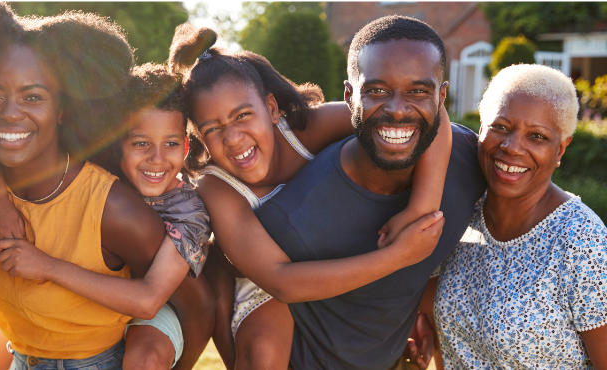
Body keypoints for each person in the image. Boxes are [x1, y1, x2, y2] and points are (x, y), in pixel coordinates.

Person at [0, 6, 212, 370]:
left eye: (33, 97)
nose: (10, 112)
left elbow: (195, 305)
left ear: (63, 109)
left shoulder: (115, 211)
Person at [167, 21, 454, 369]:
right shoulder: (217, 185)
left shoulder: (308, 129)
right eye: (213, 129)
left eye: (243, 115)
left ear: (272, 109)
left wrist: (421, 208)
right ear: (198, 135)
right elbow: (280, 280)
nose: (233, 138)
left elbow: (432, 114)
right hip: (267, 285)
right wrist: (398, 255)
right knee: (262, 354)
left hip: (340, 252)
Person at [250, 16, 488, 369]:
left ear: (441, 97)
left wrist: (427, 312)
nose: (397, 109)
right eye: (376, 90)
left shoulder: (470, 160)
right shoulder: (290, 217)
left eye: (418, 91)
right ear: (349, 96)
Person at [431, 64, 607, 368]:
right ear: (481, 127)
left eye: (537, 136)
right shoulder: (461, 212)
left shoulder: (581, 241)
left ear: (561, 149)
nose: (512, 147)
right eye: (500, 127)